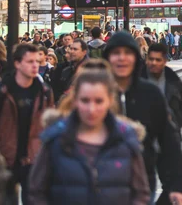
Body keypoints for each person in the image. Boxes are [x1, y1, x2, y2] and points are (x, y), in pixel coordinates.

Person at [28, 59, 151, 204]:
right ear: (74, 100)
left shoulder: (126, 139)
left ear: (110, 100)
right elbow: (36, 191)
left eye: (99, 101)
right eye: (85, 101)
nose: (91, 110)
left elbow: (141, 193)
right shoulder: (55, 139)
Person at [103, 32, 182, 203]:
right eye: (116, 53)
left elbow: (169, 142)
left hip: (141, 179)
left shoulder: (150, 93)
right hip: (102, 180)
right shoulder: (97, 91)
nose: (122, 58)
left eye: (127, 53)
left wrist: (176, 186)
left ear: (135, 58)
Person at [0, 44, 54, 204]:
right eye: (30, 61)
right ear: (17, 64)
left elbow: (48, 123)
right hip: (6, 157)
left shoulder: (44, 91)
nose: (35, 65)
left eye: (37, 61)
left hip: (33, 158)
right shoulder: (3, 90)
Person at [142, 43, 182, 134]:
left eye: (158, 60)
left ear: (165, 61)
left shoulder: (174, 80)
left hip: (170, 136)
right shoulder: (138, 79)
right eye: (151, 59)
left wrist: (176, 123)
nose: (154, 63)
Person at [51, 39, 89, 103]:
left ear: (84, 52)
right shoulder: (65, 71)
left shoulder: (91, 70)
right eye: (71, 49)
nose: (72, 51)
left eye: (75, 49)